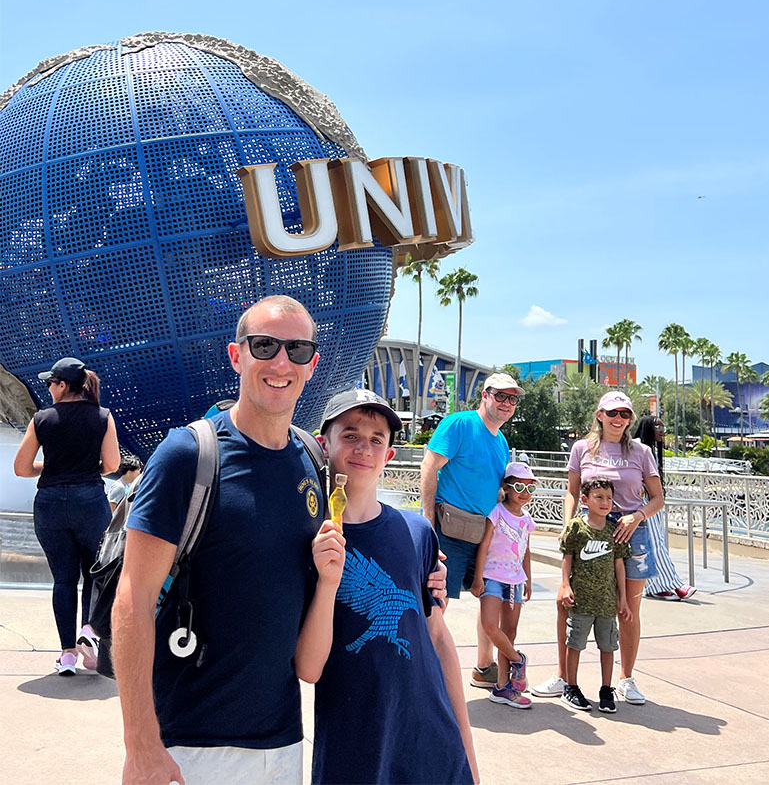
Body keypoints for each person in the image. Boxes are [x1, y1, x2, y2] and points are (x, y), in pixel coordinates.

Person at [111, 295, 445, 785]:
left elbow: (348, 543)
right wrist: (141, 745)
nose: (281, 362)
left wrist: (423, 569)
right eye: (265, 345)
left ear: (312, 364)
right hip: (190, 744)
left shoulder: (311, 460)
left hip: (282, 742)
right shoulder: (189, 455)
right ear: (236, 355)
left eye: (297, 349)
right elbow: (132, 599)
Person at [296, 389, 479, 784]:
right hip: (356, 746)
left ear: (389, 456)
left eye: (377, 439)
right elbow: (309, 669)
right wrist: (328, 583)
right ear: (323, 444)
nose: (364, 447)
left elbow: (436, 637)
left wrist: (466, 744)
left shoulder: (417, 532)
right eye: (349, 435)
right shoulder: (308, 539)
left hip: (432, 742)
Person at [532, 391, 664, 706]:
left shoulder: (642, 452)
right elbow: (572, 492)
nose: (619, 419)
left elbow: (658, 498)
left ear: (631, 419)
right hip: (589, 529)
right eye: (613, 413)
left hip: (630, 531)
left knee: (627, 608)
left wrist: (637, 515)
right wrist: (567, 524)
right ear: (600, 414)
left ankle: (626, 678)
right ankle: (564, 677)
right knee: (567, 601)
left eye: (625, 414)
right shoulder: (582, 448)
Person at [14, 356, 120, 675]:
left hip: (50, 504)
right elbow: (113, 464)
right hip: (90, 499)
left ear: (62, 385)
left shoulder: (43, 419)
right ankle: (88, 631)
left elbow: (21, 468)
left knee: (63, 579)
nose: (48, 388)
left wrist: (52, 467)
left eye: (51, 383)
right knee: (94, 572)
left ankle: (68, 657)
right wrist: (84, 468)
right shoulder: (102, 416)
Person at [420, 372, 523, 691]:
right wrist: (428, 525)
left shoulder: (502, 443)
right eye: (500, 396)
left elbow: (492, 491)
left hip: (482, 534)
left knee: (488, 601)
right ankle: (422, 672)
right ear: (485, 395)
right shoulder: (459, 424)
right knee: (436, 602)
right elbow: (429, 467)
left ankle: (483, 666)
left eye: (512, 398)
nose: (506, 403)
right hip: (448, 528)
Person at [559, 478, 631, 713]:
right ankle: (571, 687)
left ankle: (606, 689)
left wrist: (623, 599)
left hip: (607, 603)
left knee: (608, 646)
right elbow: (567, 557)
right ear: (585, 500)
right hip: (580, 601)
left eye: (609, 498)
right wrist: (565, 585)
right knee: (575, 643)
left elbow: (619, 566)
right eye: (599, 497)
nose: (605, 502)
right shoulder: (577, 528)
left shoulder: (614, 531)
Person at [470, 462, 537, 709]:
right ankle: (518, 659)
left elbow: (526, 550)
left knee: (508, 634)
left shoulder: (527, 520)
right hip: (492, 578)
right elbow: (484, 546)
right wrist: (478, 578)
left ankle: (502, 688)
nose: (524, 492)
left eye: (529, 488)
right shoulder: (497, 512)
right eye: (519, 486)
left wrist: (527, 578)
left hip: (516, 581)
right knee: (490, 625)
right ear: (507, 488)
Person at [634, 416, 696, 601]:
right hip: (642, 504)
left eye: (663, 426)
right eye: (657, 426)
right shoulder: (637, 447)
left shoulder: (650, 449)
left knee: (653, 544)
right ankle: (675, 584)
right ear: (647, 428)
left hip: (653, 503)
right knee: (655, 544)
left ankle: (655, 586)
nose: (661, 430)